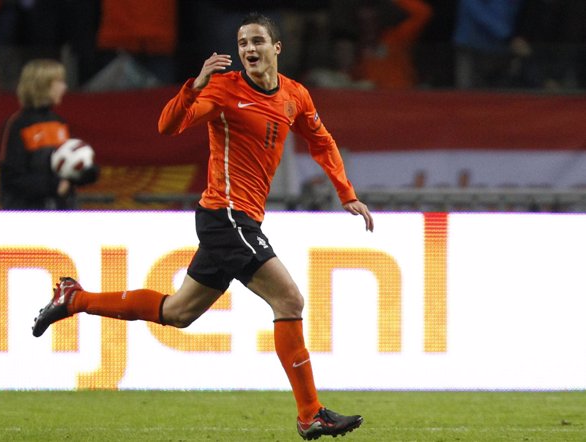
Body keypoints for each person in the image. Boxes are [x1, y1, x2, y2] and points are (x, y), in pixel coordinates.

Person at [32, 13, 373, 440]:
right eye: (242, 42)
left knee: (178, 312)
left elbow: (321, 141)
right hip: (225, 216)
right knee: (289, 299)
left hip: (240, 218)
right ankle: (310, 413)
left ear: (276, 48)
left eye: (257, 41)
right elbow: (168, 125)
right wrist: (193, 86)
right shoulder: (224, 90)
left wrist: (346, 193)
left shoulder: (295, 95)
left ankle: (74, 298)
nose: (248, 49)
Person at [0, 58, 99, 210]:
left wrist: (84, 173)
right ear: (42, 86)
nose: (65, 87)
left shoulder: (59, 123)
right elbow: (11, 178)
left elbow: (64, 168)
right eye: (59, 82)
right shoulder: (17, 125)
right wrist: (53, 186)